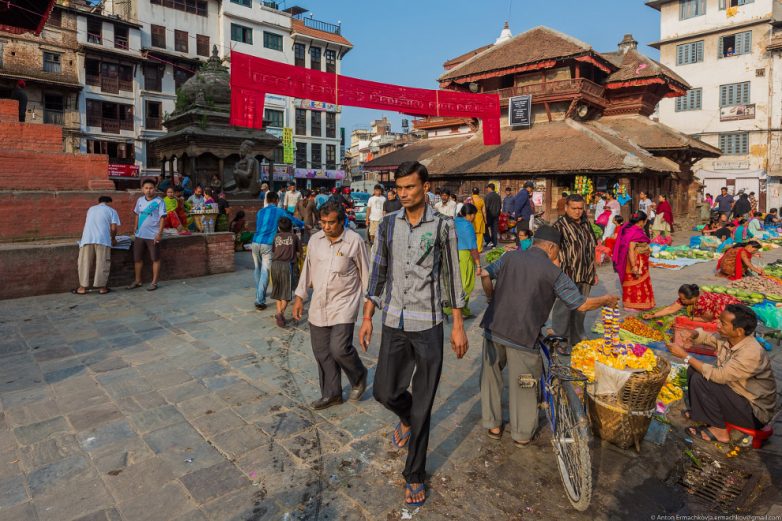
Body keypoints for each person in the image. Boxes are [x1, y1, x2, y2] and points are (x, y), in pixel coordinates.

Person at [359, 161, 467, 508]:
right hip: (393, 321)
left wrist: (459, 325)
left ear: (425, 186)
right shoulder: (389, 224)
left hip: (430, 324)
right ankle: (404, 416)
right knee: (384, 391)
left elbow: (451, 275)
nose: (403, 194)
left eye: (409, 187)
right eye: (399, 188)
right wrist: (367, 316)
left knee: (424, 404)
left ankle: (415, 474)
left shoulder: (443, 226)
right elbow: (378, 271)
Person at [479, 225, 619, 445]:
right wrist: (606, 300)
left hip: (492, 328)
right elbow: (580, 305)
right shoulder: (554, 273)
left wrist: (490, 299)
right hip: (523, 336)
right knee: (524, 385)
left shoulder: (510, 257)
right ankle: (522, 435)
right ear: (552, 247)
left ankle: (493, 426)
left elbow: (485, 274)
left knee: (490, 378)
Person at [292, 200, 369, 410]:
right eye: (323, 222)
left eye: (331, 223)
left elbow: (366, 275)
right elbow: (307, 269)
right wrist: (300, 296)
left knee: (339, 349)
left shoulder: (354, 242)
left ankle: (359, 374)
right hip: (319, 304)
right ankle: (332, 394)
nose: (326, 227)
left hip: (344, 304)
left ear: (342, 222)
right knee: (322, 352)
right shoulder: (316, 241)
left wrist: (367, 312)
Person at [668, 305, 776, 443]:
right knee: (694, 370)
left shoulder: (751, 353)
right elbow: (708, 338)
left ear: (739, 331)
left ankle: (720, 432)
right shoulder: (730, 338)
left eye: (723, 323)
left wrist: (685, 356)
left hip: (753, 413)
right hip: (735, 394)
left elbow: (719, 376)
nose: (717, 325)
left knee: (701, 379)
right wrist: (692, 334)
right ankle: (701, 412)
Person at [552, 194, 597, 345]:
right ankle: (561, 341)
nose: (577, 211)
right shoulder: (559, 226)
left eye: (580, 208)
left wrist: (594, 271)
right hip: (566, 275)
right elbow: (552, 253)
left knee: (581, 310)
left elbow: (591, 248)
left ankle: (578, 339)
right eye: (574, 208)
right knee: (563, 311)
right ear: (566, 208)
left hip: (585, 274)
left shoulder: (586, 223)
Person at [250, 192, 305, 310]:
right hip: (268, 243)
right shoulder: (279, 211)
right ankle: (259, 300)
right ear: (275, 200)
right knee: (265, 271)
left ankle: (260, 294)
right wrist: (303, 224)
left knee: (257, 269)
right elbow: (292, 220)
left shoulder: (260, 212)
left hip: (255, 242)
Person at [75, 196, 120, 295]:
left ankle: (82, 288)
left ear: (99, 202)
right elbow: (113, 228)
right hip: (103, 239)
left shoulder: (91, 209)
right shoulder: (112, 210)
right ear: (109, 203)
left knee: (84, 263)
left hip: (87, 238)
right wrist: (113, 238)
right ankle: (102, 288)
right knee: (102, 263)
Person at [128, 178, 166, 291]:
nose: (148, 190)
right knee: (137, 259)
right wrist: (135, 227)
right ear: (142, 189)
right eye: (146, 188)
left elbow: (163, 218)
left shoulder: (159, 201)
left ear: (154, 189)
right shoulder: (140, 200)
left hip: (153, 235)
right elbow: (136, 214)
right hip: (140, 235)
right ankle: (138, 280)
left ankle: (154, 282)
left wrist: (159, 233)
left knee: (155, 258)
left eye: (151, 188)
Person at [613, 211, 655, 311]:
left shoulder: (630, 228)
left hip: (640, 261)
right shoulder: (634, 231)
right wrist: (633, 265)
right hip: (635, 261)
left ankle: (637, 303)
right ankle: (633, 304)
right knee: (635, 281)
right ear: (641, 221)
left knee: (639, 281)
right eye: (644, 221)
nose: (645, 223)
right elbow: (631, 249)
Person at [444, 203, 481, 318]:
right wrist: (478, 265)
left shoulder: (456, 221)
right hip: (464, 255)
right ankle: (448, 308)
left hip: (454, 254)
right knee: (467, 284)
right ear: (469, 215)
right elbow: (473, 248)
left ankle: (464, 310)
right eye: (473, 215)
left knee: (459, 283)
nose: (474, 217)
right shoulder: (467, 226)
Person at [643, 284, 741, 323]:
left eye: (684, 299)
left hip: (729, 306)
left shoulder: (703, 302)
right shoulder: (688, 299)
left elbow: (706, 319)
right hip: (717, 304)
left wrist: (690, 319)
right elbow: (671, 309)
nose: (682, 301)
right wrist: (653, 315)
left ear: (693, 298)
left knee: (717, 323)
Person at [270, 217, 301, 328]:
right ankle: (280, 313)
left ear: (278, 227)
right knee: (287, 293)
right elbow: (299, 253)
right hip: (287, 266)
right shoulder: (294, 237)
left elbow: (274, 251)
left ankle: (280, 315)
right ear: (291, 227)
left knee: (278, 291)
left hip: (275, 265)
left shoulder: (276, 237)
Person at [484, 183, 502, 248]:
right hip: (496, 215)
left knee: (484, 228)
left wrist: (485, 215)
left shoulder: (488, 196)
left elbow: (486, 207)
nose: (487, 189)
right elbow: (500, 206)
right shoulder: (498, 196)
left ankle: (488, 241)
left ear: (489, 188)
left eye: (487, 188)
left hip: (489, 215)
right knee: (494, 230)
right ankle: (494, 243)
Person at [470, 187, 487, 252]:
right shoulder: (481, 200)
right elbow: (484, 211)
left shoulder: (470, 199)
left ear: (472, 192)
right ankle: (479, 249)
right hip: (479, 217)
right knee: (479, 235)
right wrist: (485, 220)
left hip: (471, 217)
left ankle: (472, 248)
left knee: (471, 233)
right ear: (478, 193)